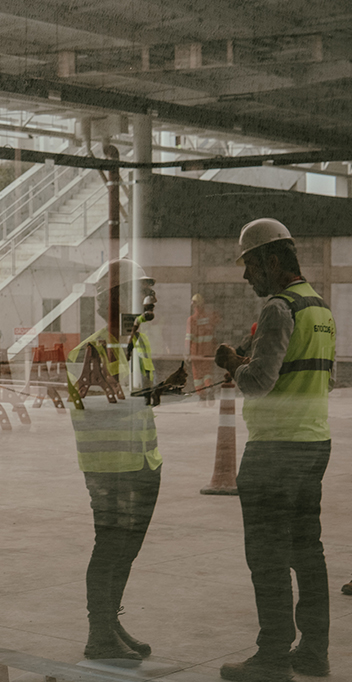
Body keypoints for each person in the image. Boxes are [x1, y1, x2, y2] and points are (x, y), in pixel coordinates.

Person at [215, 218, 335, 682]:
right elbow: (322, 377)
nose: (246, 277)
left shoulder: (278, 308)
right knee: (307, 550)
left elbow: (261, 382)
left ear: (270, 260)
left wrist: (233, 364)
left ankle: (271, 657)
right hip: (313, 442)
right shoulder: (320, 307)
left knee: (266, 555)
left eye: (249, 266)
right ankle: (314, 652)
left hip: (275, 451)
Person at [67, 259, 175, 661]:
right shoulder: (89, 351)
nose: (153, 297)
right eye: (143, 290)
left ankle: (110, 623)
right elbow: (91, 413)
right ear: (116, 299)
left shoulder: (139, 344)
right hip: (111, 472)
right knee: (110, 549)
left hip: (144, 465)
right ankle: (99, 634)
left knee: (125, 552)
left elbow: (135, 401)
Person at [186, 293, 221, 405]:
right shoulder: (208, 317)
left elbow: (189, 338)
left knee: (197, 376)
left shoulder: (191, 319)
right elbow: (216, 326)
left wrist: (186, 353)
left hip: (196, 353)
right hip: (208, 352)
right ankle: (209, 388)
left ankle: (202, 397)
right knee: (207, 373)